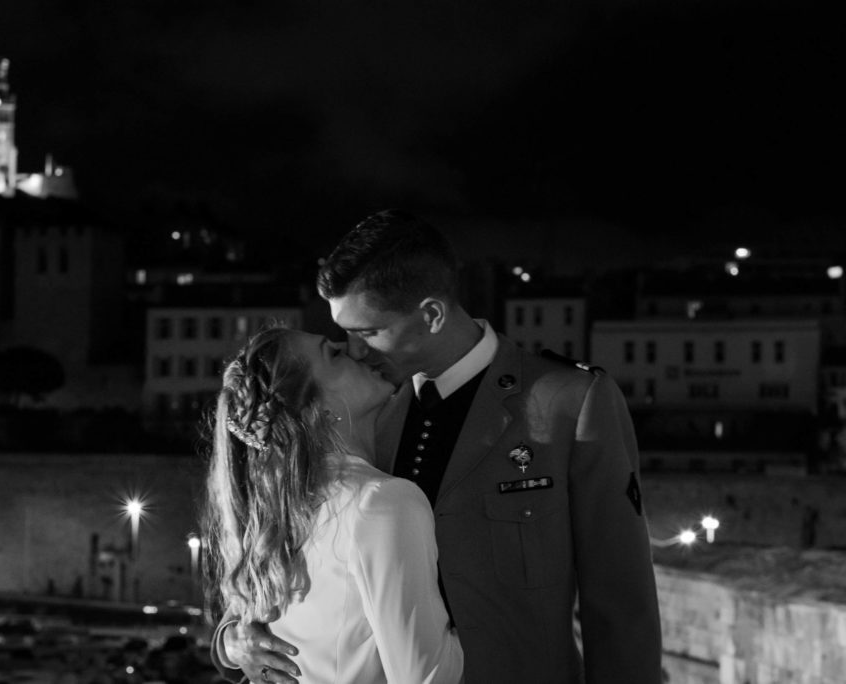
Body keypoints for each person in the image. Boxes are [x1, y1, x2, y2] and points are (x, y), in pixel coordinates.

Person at [215, 210, 663, 683]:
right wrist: (231, 637)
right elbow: (281, 531)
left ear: (431, 314)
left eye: (367, 332)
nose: (355, 351)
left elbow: (621, 602)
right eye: (345, 335)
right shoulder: (362, 410)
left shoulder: (570, 402)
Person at [202, 325, 464, 684]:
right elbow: (426, 677)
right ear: (316, 407)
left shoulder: (280, 507)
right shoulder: (378, 501)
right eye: (335, 353)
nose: (356, 348)